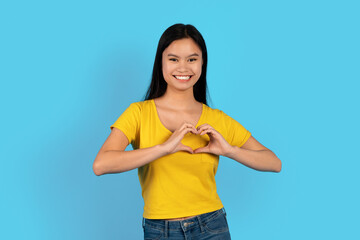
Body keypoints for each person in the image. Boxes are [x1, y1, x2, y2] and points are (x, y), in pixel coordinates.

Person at [93, 23, 282, 240]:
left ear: (202, 63)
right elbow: (101, 164)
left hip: (212, 225)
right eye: (173, 59)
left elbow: (274, 163)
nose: (183, 68)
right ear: (161, 63)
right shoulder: (139, 113)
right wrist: (163, 148)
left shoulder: (216, 118)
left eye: (192, 59)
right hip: (160, 230)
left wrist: (230, 150)